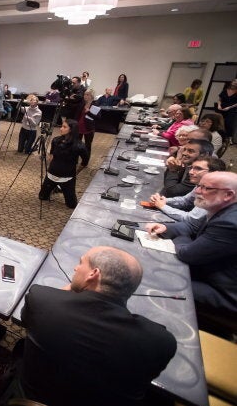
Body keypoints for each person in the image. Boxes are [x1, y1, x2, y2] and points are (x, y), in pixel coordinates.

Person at [18, 246, 177, 406]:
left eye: (81, 263)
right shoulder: (162, 342)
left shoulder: (41, 299)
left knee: (20, 347)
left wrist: (70, 291)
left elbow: (26, 319)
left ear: (93, 274)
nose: (75, 268)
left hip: (35, 398)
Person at [146, 171, 237, 312]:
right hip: (206, 271)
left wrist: (179, 237)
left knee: (154, 280)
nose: (198, 192)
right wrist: (166, 228)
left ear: (228, 195)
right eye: (199, 186)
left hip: (222, 292)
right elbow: (191, 226)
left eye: (206, 188)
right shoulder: (220, 207)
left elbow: (187, 254)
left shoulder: (229, 223)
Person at [149, 157, 226, 222]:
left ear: (214, 173)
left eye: (198, 169)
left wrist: (162, 206)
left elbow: (190, 218)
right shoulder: (201, 185)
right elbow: (185, 201)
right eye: (191, 168)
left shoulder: (214, 192)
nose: (191, 172)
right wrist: (164, 201)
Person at [38, 119, 88, 208]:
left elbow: (84, 162)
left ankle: (59, 187)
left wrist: (75, 173)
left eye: (64, 127)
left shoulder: (80, 146)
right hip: (51, 175)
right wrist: (50, 165)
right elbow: (52, 156)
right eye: (61, 126)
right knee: (42, 197)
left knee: (72, 205)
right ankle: (55, 187)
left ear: (72, 130)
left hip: (67, 178)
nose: (61, 129)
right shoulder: (56, 140)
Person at [76, 89, 98, 160]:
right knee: (76, 144)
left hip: (88, 128)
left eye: (87, 94)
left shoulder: (95, 105)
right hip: (79, 127)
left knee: (87, 145)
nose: (85, 96)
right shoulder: (82, 103)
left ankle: (85, 161)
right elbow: (77, 115)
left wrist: (89, 112)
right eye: (85, 94)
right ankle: (75, 158)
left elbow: (98, 117)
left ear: (91, 96)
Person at [217, 79, 237, 143]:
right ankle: (219, 136)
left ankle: (229, 138)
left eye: (236, 82)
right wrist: (219, 105)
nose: (235, 83)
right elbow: (220, 99)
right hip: (222, 108)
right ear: (232, 82)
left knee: (228, 123)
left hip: (232, 109)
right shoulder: (225, 90)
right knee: (219, 122)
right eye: (234, 81)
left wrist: (229, 107)